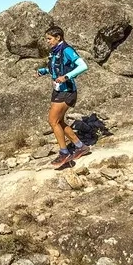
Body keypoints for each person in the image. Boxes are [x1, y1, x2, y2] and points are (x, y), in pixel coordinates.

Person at [36, 26, 91, 168]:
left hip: (67, 90)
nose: (47, 41)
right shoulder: (54, 51)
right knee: (58, 121)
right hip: (58, 90)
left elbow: (83, 66)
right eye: (46, 39)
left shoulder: (67, 50)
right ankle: (80, 146)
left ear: (58, 37)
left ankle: (64, 153)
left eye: (49, 39)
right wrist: (43, 71)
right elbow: (56, 68)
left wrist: (66, 76)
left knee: (53, 121)